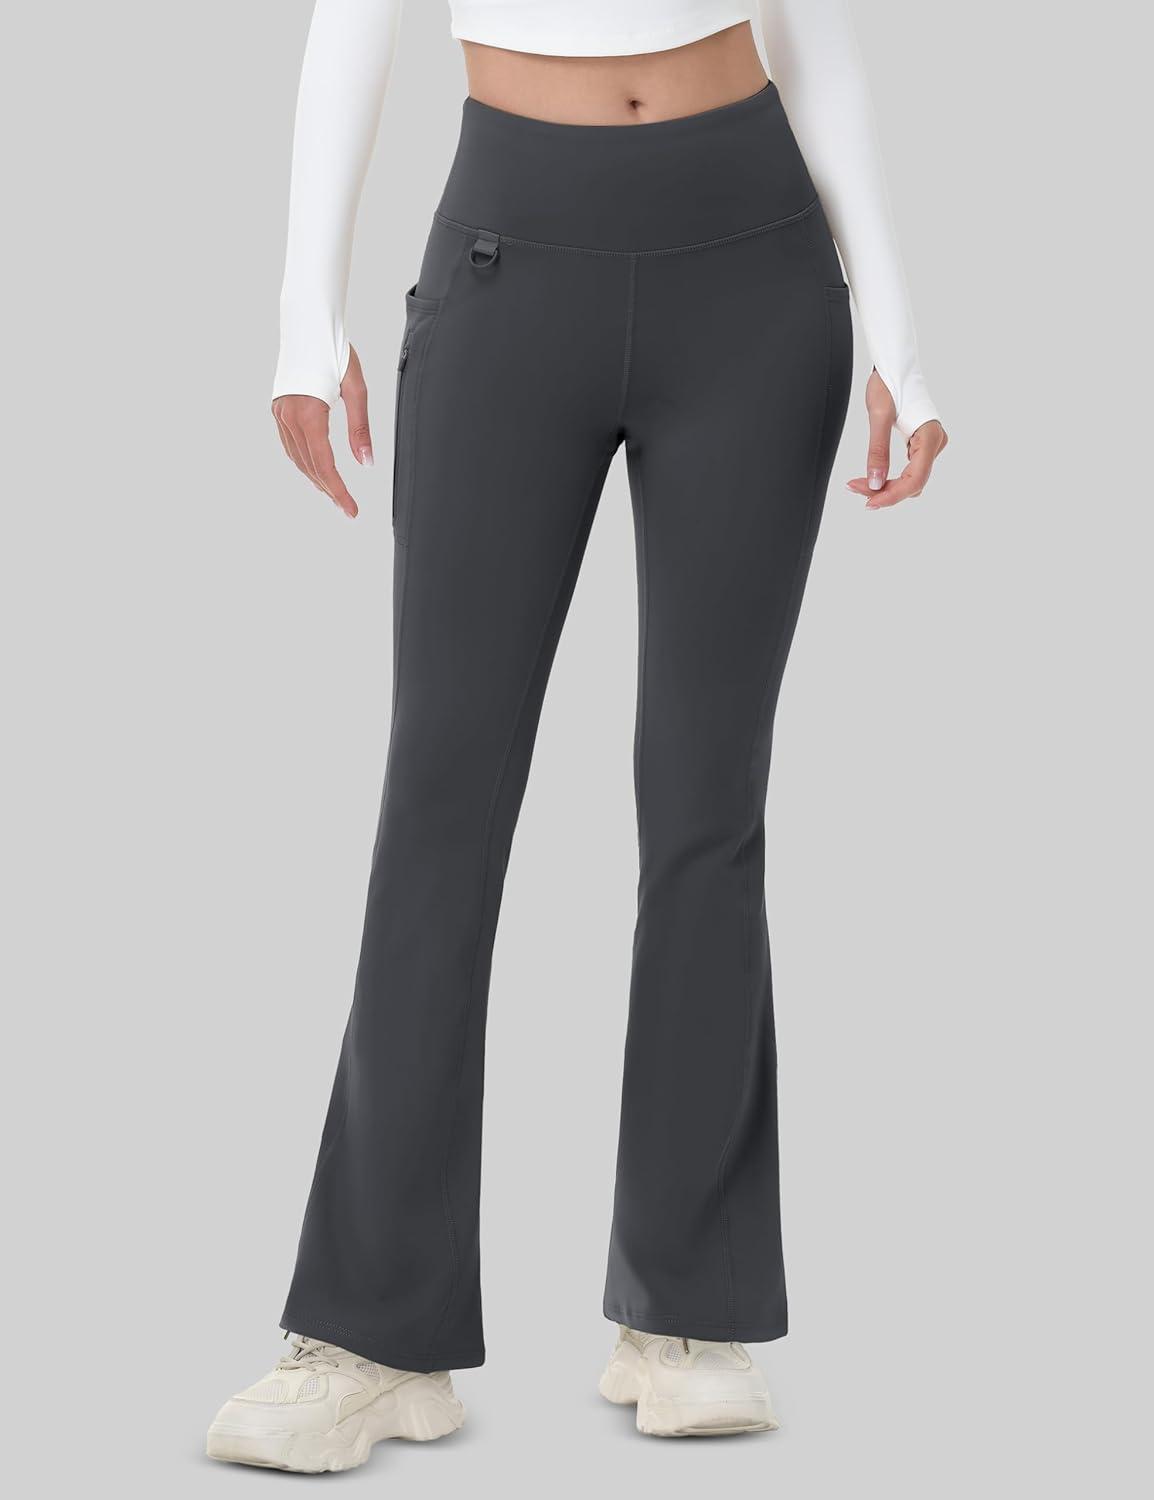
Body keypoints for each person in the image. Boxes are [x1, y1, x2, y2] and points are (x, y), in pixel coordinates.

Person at [208, 0, 948, 1471]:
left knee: (706, 805)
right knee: (440, 803)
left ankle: (687, 1311)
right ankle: (373, 1335)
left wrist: (900, 333)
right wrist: (304, 318)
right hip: (511, 258)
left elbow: (816, 34)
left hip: (753, 271)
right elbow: (352, 18)